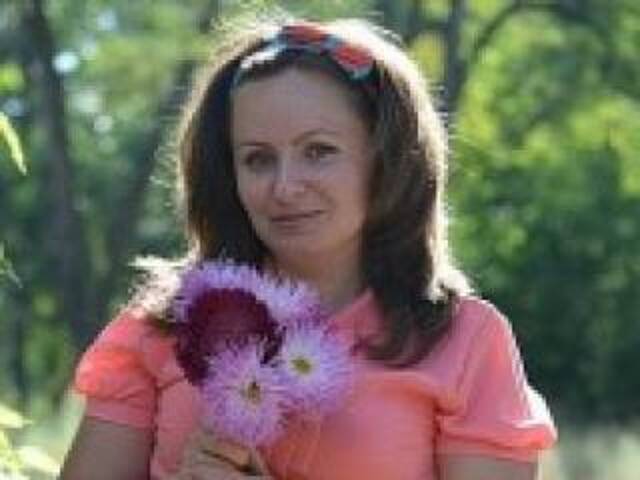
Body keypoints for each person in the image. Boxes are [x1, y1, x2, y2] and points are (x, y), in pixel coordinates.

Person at [60, 15, 557, 480]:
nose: (285, 186)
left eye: (318, 151)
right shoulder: (164, 325)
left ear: (387, 162)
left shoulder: (466, 341)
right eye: (258, 159)